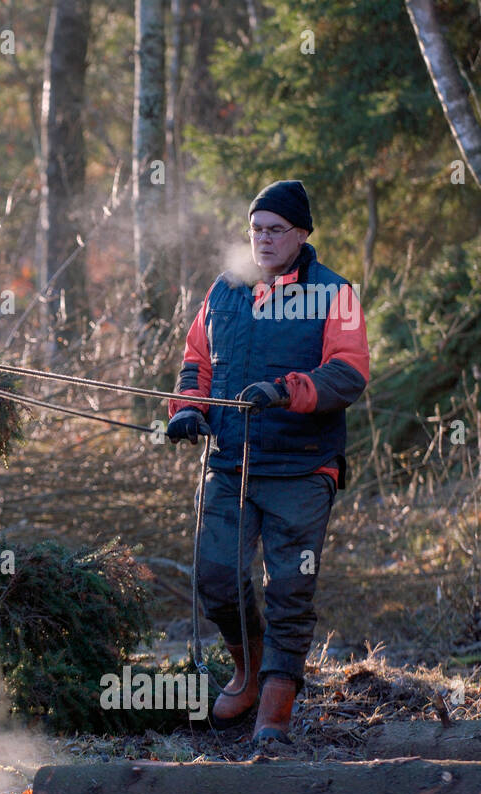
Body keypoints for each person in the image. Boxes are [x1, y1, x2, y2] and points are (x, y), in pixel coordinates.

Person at [165, 180, 369, 743]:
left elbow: (348, 374)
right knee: (215, 578)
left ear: (301, 234)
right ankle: (249, 672)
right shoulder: (226, 288)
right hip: (230, 464)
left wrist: (287, 390)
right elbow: (196, 359)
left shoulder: (334, 293)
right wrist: (187, 409)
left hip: (302, 470)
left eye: (275, 229)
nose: (263, 240)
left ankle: (276, 710)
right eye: (256, 229)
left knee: (289, 590)